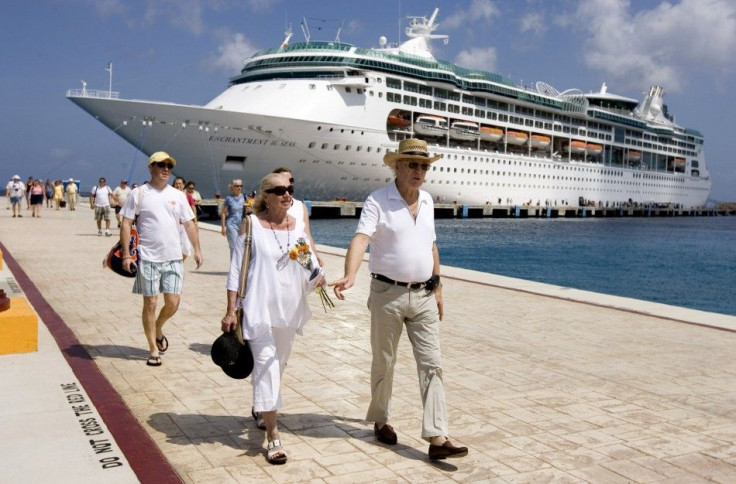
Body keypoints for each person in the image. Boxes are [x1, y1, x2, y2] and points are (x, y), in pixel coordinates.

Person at [330, 138, 468, 461]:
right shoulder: (378, 200)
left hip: (422, 296)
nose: (419, 171)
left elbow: (431, 247)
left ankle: (437, 437)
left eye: (424, 166)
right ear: (397, 166)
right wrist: (350, 275)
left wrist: (439, 287)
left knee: (432, 363)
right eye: (413, 165)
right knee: (384, 361)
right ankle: (381, 420)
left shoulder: (429, 202)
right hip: (386, 294)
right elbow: (360, 239)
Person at [220, 172, 325, 465]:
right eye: (279, 189)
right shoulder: (251, 224)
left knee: (276, 366)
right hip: (258, 307)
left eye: (290, 188)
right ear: (265, 194)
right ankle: (273, 436)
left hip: (288, 308)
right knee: (266, 365)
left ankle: (261, 407)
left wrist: (320, 277)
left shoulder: (297, 225)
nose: (286, 194)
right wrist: (231, 310)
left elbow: (307, 261)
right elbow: (235, 270)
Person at [119, 152, 203, 367]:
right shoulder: (139, 194)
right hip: (147, 257)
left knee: (173, 303)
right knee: (150, 303)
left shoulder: (178, 195)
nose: (166, 169)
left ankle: (158, 326)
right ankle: (153, 349)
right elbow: (127, 223)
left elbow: (190, 223)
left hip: (173, 257)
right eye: (161, 165)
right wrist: (127, 255)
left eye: (169, 166)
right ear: (150, 168)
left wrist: (197, 249)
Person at [271, 167, 323, 267]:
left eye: (291, 180)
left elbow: (307, 234)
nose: (289, 183)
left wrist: (315, 254)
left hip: (300, 257)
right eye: (284, 180)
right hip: (275, 257)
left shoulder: (301, 206)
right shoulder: (268, 207)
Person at [220, 179, 245, 255]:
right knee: (234, 247)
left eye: (241, 186)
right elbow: (223, 213)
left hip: (242, 225)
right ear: (232, 187)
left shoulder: (245, 198)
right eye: (237, 186)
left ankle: (240, 266)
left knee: (241, 247)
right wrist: (223, 227)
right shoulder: (229, 199)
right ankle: (233, 266)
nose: (239, 187)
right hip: (231, 225)